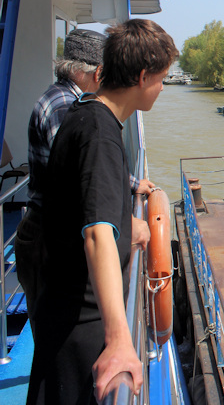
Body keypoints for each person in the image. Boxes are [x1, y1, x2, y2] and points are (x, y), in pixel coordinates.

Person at [26, 19, 179, 404]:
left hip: (60, 306)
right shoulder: (101, 136)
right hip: (80, 326)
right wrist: (118, 339)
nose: (162, 89)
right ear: (143, 77)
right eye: (161, 79)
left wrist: (132, 231)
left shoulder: (84, 112)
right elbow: (97, 233)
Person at [14, 29, 155, 339]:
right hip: (45, 237)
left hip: (47, 228)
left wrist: (132, 183)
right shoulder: (67, 107)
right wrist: (126, 222)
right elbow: (81, 173)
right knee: (56, 334)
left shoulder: (65, 100)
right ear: (92, 72)